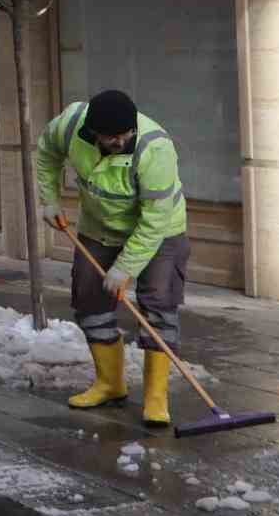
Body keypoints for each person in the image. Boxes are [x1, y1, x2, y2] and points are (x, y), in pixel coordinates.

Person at [37, 89, 189, 430]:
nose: (120, 140)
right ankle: (110, 384)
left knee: (158, 306)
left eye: (125, 134)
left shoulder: (155, 149)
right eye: (111, 137)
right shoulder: (69, 126)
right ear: (93, 133)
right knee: (90, 301)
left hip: (161, 232)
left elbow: (155, 220)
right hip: (99, 228)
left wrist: (125, 268)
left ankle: (155, 398)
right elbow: (46, 152)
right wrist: (50, 199)